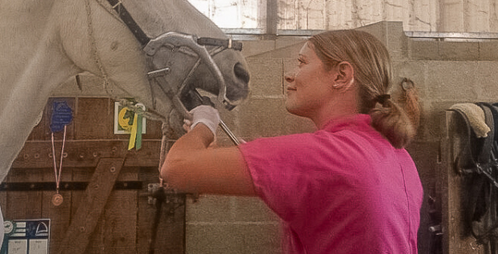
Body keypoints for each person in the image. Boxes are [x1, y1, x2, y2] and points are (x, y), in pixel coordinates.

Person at [160, 29, 423, 254]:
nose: (290, 75)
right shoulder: (395, 155)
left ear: (341, 75)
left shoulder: (324, 155)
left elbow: (176, 169)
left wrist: (204, 123)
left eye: (301, 62)